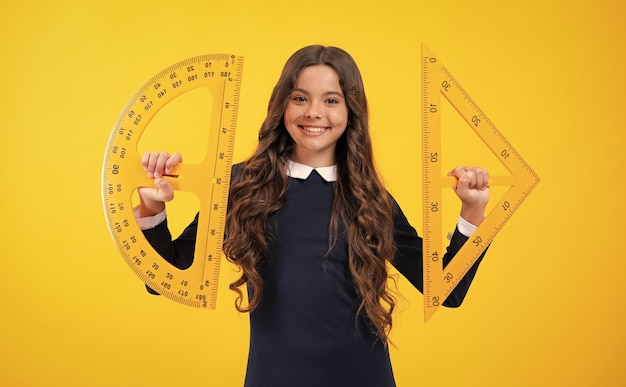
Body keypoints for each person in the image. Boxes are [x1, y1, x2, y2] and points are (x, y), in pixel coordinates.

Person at [136, 45, 490, 387]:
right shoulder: (241, 185)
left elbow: (447, 291)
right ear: (282, 105)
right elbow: (163, 279)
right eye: (300, 98)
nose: (313, 112)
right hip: (273, 378)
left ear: (351, 111)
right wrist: (153, 208)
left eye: (331, 100)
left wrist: (472, 212)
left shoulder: (372, 198)